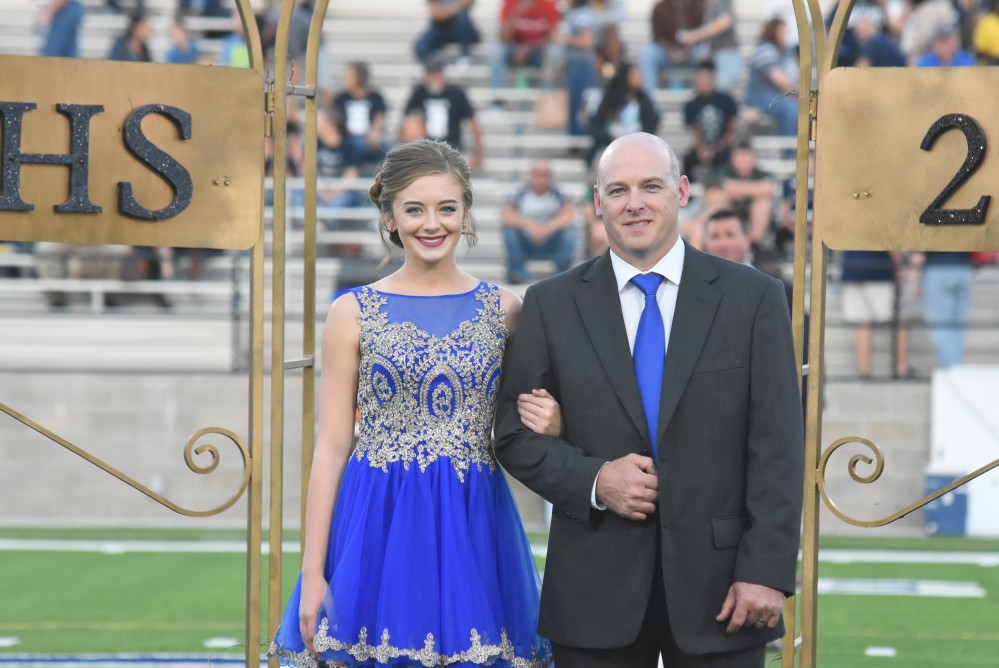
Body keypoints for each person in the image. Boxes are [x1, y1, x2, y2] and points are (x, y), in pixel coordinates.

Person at [495, 132, 803, 667]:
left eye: (650, 186)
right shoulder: (550, 304)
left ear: (681, 191)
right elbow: (513, 435)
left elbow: (778, 445)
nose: (634, 202)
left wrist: (766, 571)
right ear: (596, 202)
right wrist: (595, 480)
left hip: (724, 589)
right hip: (594, 587)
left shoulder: (753, 297)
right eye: (617, 190)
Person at [268, 140, 554, 667]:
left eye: (447, 207)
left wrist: (554, 421)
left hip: (472, 522)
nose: (432, 223)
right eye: (414, 209)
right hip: (375, 521)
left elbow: (530, 424)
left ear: (465, 212)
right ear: (389, 216)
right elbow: (331, 449)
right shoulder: (351, 312)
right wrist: (312, 573)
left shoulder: (506, 310)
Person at [639, 0, 743, 96]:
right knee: (647, 52)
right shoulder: (660, 8)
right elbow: (658, 38)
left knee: (704, 53)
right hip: (668, 53)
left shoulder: (706, 4)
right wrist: (673, 51)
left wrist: (694, 37)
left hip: (706, 52)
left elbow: (724, 21)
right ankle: (649, 100)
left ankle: (704, 101)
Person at [501, 159, 578, 283]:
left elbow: (569, 214)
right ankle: (516, 272)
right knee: (509, 229)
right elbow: (506, 214)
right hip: (526, 241)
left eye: (545, 175)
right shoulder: (520, 193)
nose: (541, 179)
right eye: (538, 174)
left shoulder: (559, 193)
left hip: (550, 241)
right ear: (531, 176)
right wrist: (529, 226)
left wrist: (547, 228)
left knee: (570, 230)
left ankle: (562, 272)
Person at [404, 61, 484, 168]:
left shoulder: (456, 94)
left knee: (463, 163)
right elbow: (408, 121)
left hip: (453, 147)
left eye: (437, 74)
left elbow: (473, 123)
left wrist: (478, 153)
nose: (434, 78)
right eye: (431, 74)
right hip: (425, 147)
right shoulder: (419, 93)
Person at [586, 61, 660, 166]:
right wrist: (610, 138)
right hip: (609, 144)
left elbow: (652, 123)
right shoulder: (608, 98)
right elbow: (596, 124)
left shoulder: (643, 99)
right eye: (635, 75)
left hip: (639, 145)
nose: (639, 78)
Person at [682, 61, 739, 184]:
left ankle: (725, 186)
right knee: (688, 159)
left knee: (727, 158)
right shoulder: (692, 104)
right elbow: (694, 129)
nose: (704, 85)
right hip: (702, 144)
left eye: (707, 82)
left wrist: (719, 147)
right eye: (701, 82)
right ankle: (689, 191)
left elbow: (731, 127)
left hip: (723, 144)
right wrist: (701, 147)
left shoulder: (725, 100)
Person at [744, 16, 798, 136]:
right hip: (760, 96)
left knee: (800, 108)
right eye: (783, 32)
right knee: (791, 109)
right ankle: (791, 151)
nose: (786, 35)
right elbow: (777, 78)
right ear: (773, 31)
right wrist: (797, 92)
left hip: (775, 96)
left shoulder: (784, 51)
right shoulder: (765, 49)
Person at [714, 141, 775, 247]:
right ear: (733, 159)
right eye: (740, 157)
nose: (743, 161)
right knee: (719, 200)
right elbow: (724, 189)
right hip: (731, 209)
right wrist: (754, 190)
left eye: (746, 157)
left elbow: (767, 189)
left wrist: (737, 190)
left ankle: (754, 244)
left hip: (755, 215)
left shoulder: (762, 173)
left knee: (762, 204)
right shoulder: (724, 171)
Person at [489, 0, 561, 90]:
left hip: (537, 50)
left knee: (554, 51)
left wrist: (527, 48)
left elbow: (551, 37)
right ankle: (497, 98)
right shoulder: (510, 4)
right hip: (514, 49)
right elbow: (504, 38)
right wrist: (517, 11)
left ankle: (548, 94)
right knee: (497, 49)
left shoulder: (549, 6)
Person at [332, 62, 389, 173]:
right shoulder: (341, 98)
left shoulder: (375, 97)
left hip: (368, 137)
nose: (346, 80)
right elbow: (336, 119)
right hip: (348, 138)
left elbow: (379, 115)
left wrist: (375, 132)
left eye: (349, 77)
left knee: (387, 143)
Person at [414, 0, 481, 66]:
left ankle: (465, 55)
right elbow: (436, 14)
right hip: (441, 28)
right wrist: (455, 9)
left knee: (463, 18)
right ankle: (432, 67)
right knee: (420, 45)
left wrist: (446, 11)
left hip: (460, 28)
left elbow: (467, 3)